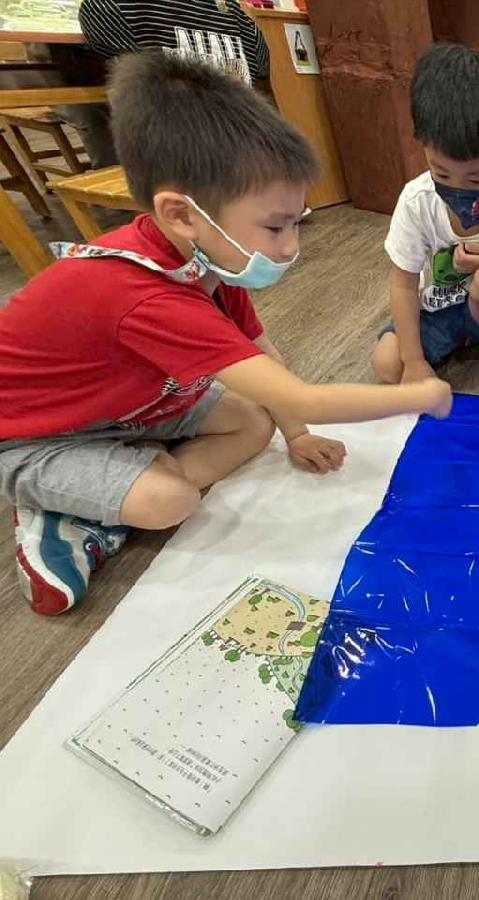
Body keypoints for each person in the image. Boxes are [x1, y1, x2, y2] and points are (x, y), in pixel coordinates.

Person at [0, 52, 452, 617]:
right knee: (171, 500)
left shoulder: (206, 261)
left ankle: (118, 476)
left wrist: (295, 435)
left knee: (255, 421)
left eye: (296, 223)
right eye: (275, 226)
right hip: (40, 435)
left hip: (133, 406)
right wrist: (418, 395)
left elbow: (264, 357)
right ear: (182, 213)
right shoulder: (144, 293)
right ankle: (66, 510)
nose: (290, 246)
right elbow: (302, 397)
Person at [371, 44, 479, 392]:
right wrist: (413, 361)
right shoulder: (417, 200)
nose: (457, 189)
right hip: (435, 313)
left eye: (476, 179)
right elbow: (403, 284)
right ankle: (450, 345)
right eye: (441, 173)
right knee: (386, 363)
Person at [58, 0, 272, 168]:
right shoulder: (237, 16)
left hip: (179, 158)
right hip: (239, 153)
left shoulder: (111, 8)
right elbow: (261, 74)